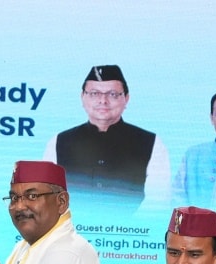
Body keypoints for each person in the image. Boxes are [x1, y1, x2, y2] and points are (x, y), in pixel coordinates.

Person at [43, 65, 170, 214]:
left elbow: (157, 201)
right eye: (94, 93)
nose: (103, 100)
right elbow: (47, 196)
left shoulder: (151, 143)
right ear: (82, 97)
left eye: (113, 94)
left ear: (126, 98)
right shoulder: (59, 142)